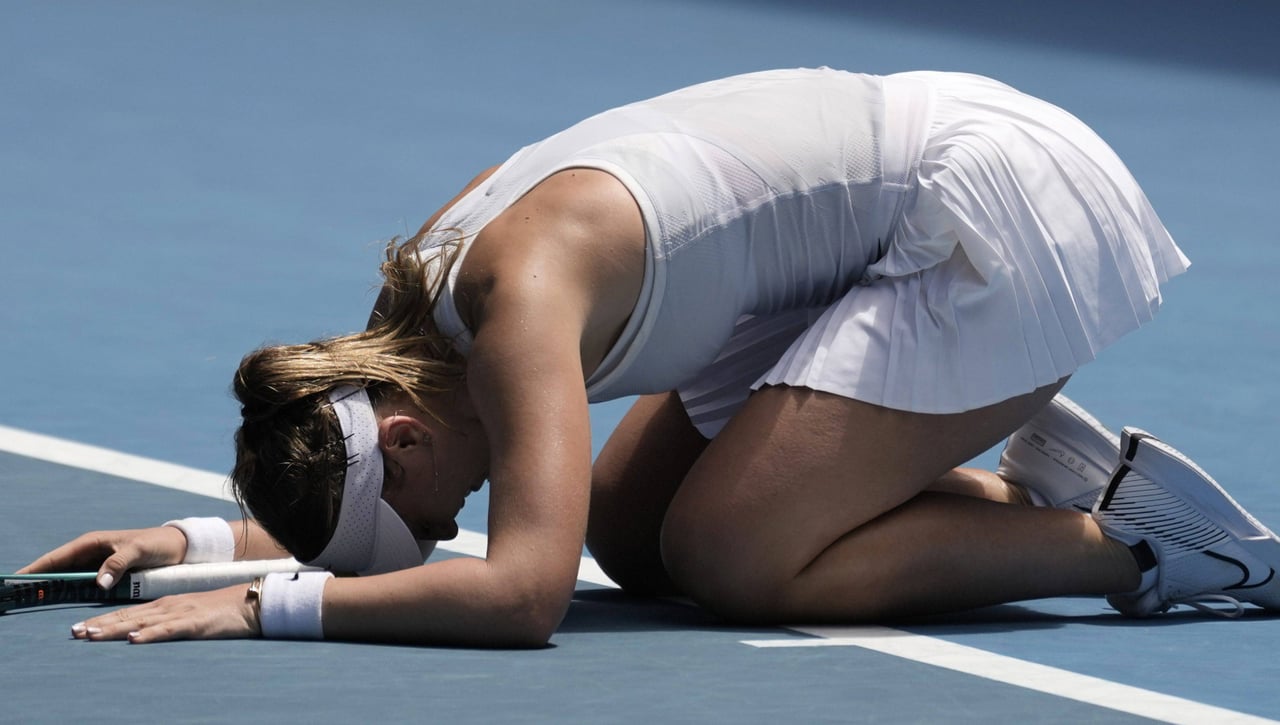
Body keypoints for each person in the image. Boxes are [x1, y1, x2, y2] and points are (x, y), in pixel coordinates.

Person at [22, 68, 1280, 646]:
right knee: (630, 532)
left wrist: (262, 604)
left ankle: (1155, 545)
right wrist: (187, 540)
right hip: (873, 241)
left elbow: (518, 595)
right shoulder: (418, 314)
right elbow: (504, 531)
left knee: (734, 556)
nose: (454, 517)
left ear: (397, 433)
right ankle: (1033, 485)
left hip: (997, 212)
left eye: (433, 509)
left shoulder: (513, 308)